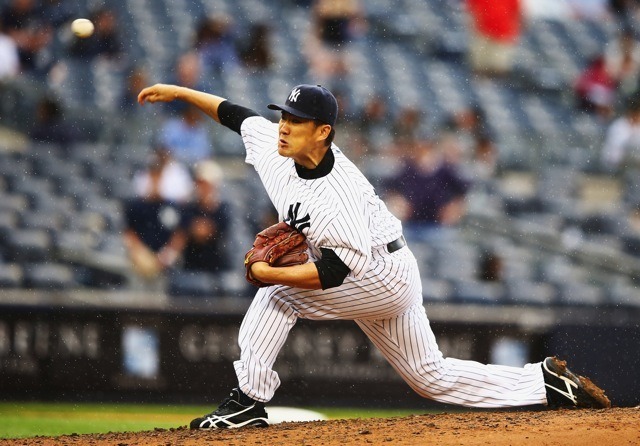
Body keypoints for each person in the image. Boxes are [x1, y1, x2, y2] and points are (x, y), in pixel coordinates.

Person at [137, 82, 610, 429]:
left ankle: (247, 400)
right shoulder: (276, 144)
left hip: (375, 272)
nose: (283, 128)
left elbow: (333, 271)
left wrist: (264, 271)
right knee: (429, 376)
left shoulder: (335, 194)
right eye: (283, 117)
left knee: (279, 294)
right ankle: (542, 383)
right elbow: (235, 114)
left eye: (295, 122)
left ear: (322, 133)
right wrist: (178, 92)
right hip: (389, 267)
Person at [465, 0, 523, 78]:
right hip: (484, 31)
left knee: (498, 67)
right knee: (479, 65)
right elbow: (471, 8)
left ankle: (493, 83)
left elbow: (517, 12)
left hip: (502, 33)